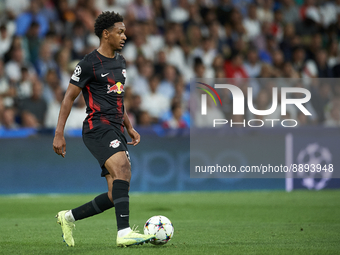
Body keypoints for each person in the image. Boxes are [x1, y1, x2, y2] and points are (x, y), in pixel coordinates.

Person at [52, 11, 155, 248]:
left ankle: (68, 217)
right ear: (105, 34)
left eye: (125, 31)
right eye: (120, 32)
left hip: (116, 128)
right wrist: (59, 132)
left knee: (114, 194)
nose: (124, 36)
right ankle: (124, 233)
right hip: (97, 127)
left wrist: (129, 126)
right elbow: (68, 98)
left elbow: (117, 99)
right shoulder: (88, 63)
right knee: (123, 168)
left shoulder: (120, 62)